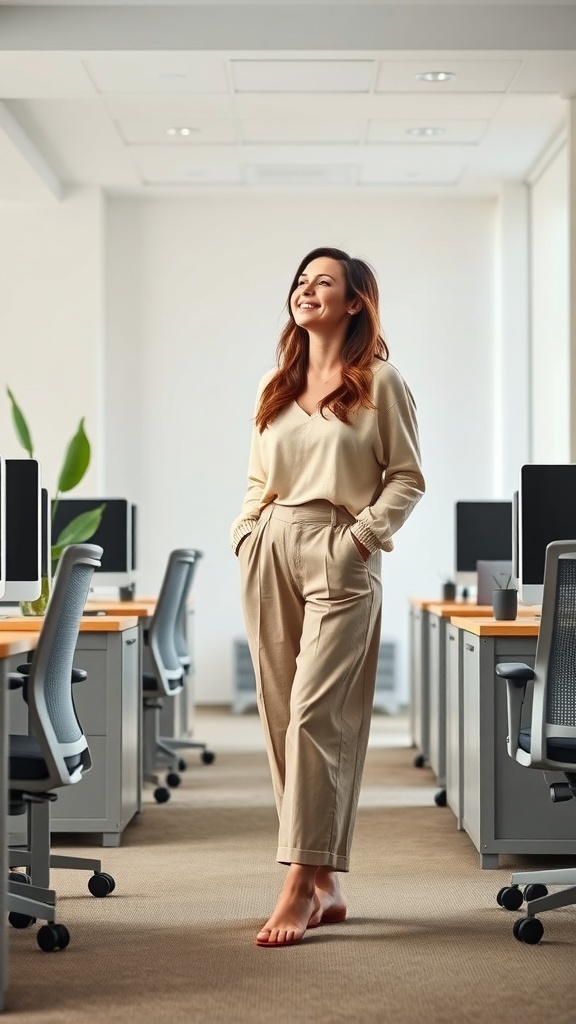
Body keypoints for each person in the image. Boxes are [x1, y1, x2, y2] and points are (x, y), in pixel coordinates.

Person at [230, 246, 425, 948]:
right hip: (271, 548)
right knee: (285, 718)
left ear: (354, 304)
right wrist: (247, 533)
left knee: (319, 717)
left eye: (325, 283)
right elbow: (258, 479)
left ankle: (294, 882)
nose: (307, 290)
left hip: (341, 551)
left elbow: (407, 477)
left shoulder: (381, 382)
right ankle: (326, 881)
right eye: (301, 281)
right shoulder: (273, 385)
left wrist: (362, 538)